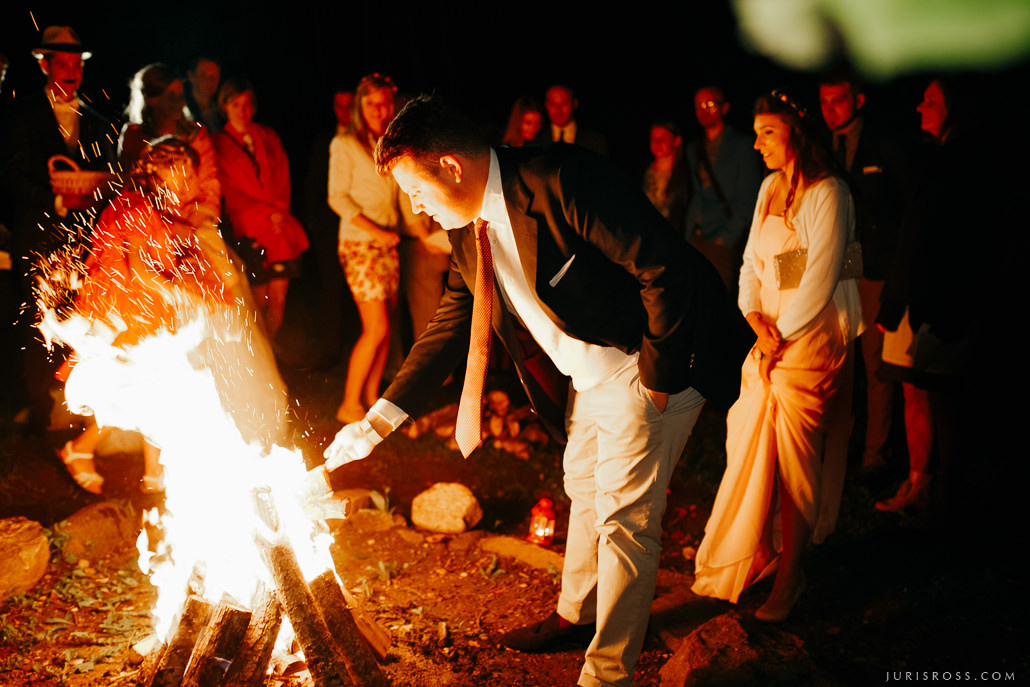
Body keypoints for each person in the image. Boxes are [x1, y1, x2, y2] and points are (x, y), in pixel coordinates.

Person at [324, 94, 752, 687]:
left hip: (647, 359)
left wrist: (660, 380)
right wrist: (375, 423)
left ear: (451, 165)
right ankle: (576, 615)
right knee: (582, 485)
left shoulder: (562, 180)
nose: (416, 208)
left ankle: (606, 675)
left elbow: (663, 267)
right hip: (590, 375)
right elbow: (450, 326)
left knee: (626, 520)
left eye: (416, 190)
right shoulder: (463, 229)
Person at [691, 91, 863, 622]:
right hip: (769, 335)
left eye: (768, 131)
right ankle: (760, 552)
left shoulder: (829, 193)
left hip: (809, 341)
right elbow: (749, 264)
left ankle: (793, 575)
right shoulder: (769, 187)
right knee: (751, 443)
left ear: (796, 133)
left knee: (793, 460)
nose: (758, 142)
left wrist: (780, 335)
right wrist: (753, 319)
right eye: (757, 131)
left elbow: (820, 277)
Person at [55, 137, 231, 494]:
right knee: (133, 390)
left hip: (144, 311)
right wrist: (186, 296)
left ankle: (154, 472)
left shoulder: (157, 207)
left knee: (154, 390)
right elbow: (139, 270)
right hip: (124, 311)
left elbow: (168, 243)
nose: (195, 184)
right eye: (191, 175)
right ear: (171, 173)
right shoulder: (136, 208)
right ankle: (80, 450)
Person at [0, 26, 118, 435]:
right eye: (61, 64)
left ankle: (78, 412)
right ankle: (38, 415)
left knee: (80, 324)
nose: (70, 72)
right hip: (37, 235)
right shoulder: (23, 113)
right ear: (45, 65)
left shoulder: (98, 119)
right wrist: (54, 201)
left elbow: (108, 178)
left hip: (83, 240)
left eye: (75, 65)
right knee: (38, 324)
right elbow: (12, 176)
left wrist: (97, 191)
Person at [818, 69, 911, 474]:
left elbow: (904, 208)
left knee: (875, 362)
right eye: (823, 101)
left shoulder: (884, 144)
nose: (829, 109)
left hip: (874, 264)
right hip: (835, 264)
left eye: (838, 100)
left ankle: (876, 455)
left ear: (858, 100)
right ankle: (839, 445)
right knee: (836, 359)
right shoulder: (820, 145)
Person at [329, 74, 431, 423]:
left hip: (388, 243)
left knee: (385, 326)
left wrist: (425, 234)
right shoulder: (344, 144)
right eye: (371, 103)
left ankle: (371, 398)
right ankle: (348, 404)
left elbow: (403, 199)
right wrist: (376, 231)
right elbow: (337, 197)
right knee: (376, 327)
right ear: (360, 106)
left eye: (385, 102)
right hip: (360, 244)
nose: (379, 109)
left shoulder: (390, 144)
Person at [213, 77, 308, 340]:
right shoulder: (219, 143)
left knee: (278, 297)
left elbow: (282, 175)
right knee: (258, 299)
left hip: (278, 228)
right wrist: (267, 213)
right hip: (249, 230)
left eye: (246, 104)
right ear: (225, 107)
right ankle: (261, 353)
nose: (242, 111)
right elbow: (230, 191)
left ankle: (273, 351)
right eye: (235, 105)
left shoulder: (267, 136)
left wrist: (279, 209)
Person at [684, 86, 763, 292]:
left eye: (710, 104)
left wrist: (727, 238)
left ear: (724, 107)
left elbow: (748, 196)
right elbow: (697, 193)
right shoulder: (694, 148)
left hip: (723, 238)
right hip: (697, 237)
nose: (704, 110)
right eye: (699, 105)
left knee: (718, 302)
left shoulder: (742, 145)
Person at [534, 84, 608, 155]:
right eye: (553, 104)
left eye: (564, 103)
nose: (558, 110)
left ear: (575, 104)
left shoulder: (594, 140)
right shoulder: (535, 139)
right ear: (546, 105)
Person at [643, 121, 690, 229]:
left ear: (676, 141)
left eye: (663, 138)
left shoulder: (685, 174)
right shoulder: (647, 173)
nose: (657, 142)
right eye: (654, 138)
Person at [184, 56, 222, 132]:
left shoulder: (223, 109)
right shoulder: (184, 112)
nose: (210, 81)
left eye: (214, 76)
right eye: (204, 75)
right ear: (191, 76)